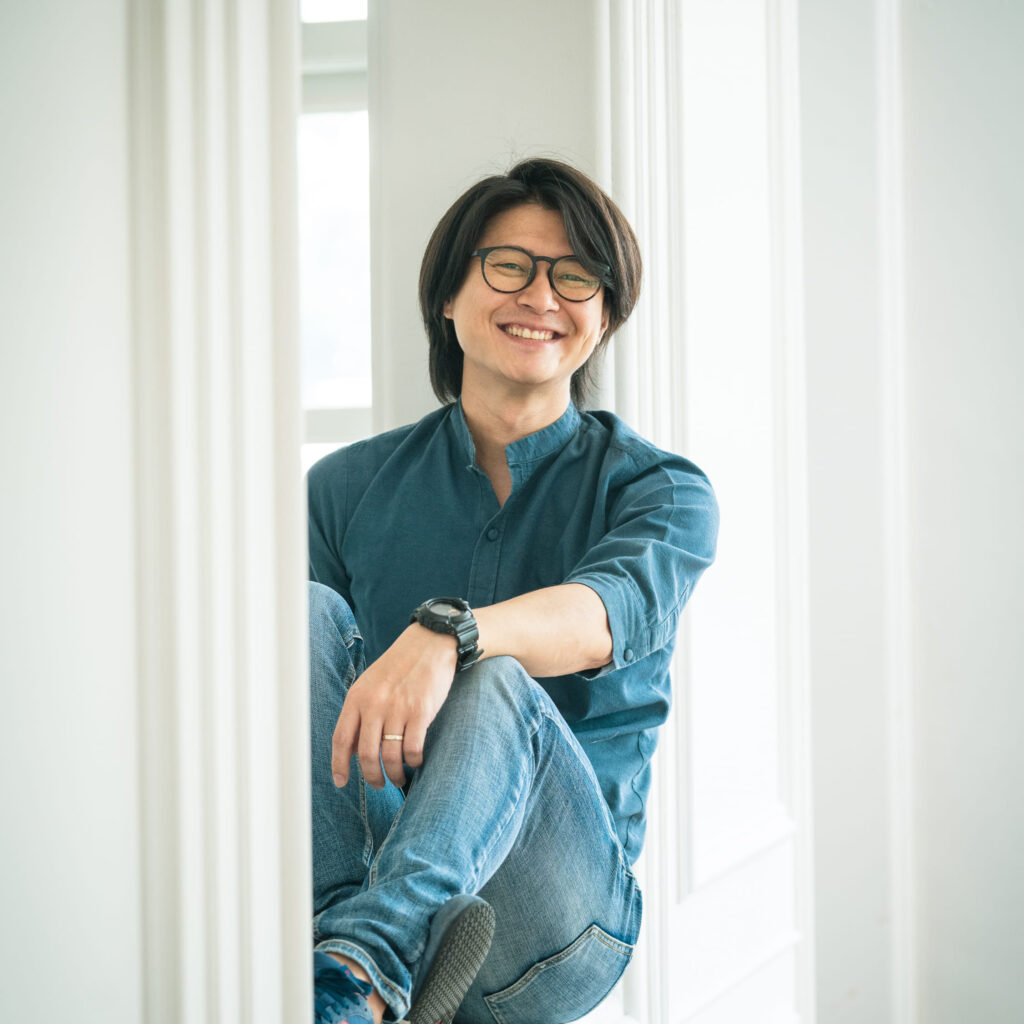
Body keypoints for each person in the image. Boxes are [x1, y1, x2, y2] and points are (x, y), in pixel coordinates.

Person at [307, 157, 718, 1024]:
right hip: (376, 866)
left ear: (603, 319)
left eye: (575, 278)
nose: (541, 296)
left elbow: (600, 617)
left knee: (496, 679)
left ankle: (360, 971)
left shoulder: (662, 492)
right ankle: (348, 963)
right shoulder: (343, 488)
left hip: (557, 920)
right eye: (509, 266)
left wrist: (450, 633)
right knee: (298, 616)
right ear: (447, 298)